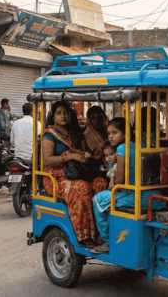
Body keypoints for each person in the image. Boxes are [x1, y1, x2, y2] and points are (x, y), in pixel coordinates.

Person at [92, 118, 165, 254]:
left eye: (115, 133)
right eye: (109, 133)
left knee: (97, 201)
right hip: (152, 194)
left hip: (134, 196)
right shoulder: (141, 144)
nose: (111, 136)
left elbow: (119, 180)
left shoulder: (121, 149)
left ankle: (107, 241)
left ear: (125, 134)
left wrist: (112, 183)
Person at [42, 101, 107, 245]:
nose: (63, 116)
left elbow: (84, 153)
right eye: (59, 113)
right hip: (56, 176)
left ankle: (101, 234)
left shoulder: (76, 133)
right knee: (81, 188)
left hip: (78, 172)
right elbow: (46, 161)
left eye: (66, 112)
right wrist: (69, 156)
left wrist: (89, 155)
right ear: (53, 116)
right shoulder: (49, 135)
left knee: (100, 184)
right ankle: (84, 236)